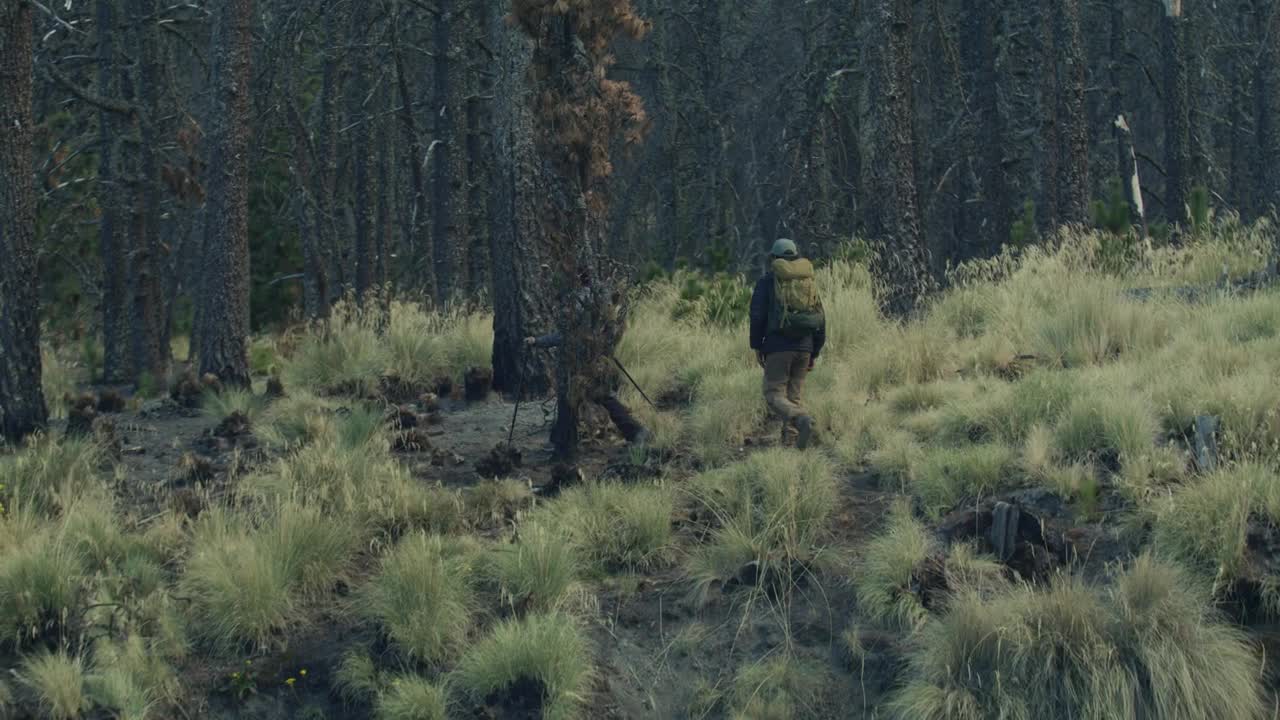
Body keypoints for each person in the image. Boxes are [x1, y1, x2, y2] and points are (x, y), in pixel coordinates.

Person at [524, 266, 650, 453]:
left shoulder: (579, 301)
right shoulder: (599, 295)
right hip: (597, 357)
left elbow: (566, 335)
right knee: (587, 396)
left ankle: (635, 432)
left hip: (581, 361)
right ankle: (561, 438)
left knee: (584, 395)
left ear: (577, 278)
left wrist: (538, 341)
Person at [749, 238, 826, 449]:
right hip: (805, 347)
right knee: (794, 396)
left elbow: (757, 316)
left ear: (774, 258)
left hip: (778, 347)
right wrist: (814, 351)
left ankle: (800, 418)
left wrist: (757, 345)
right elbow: (821, 318)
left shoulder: (767, 282)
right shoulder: (807, 282)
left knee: (773, 393)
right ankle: (792, 447)